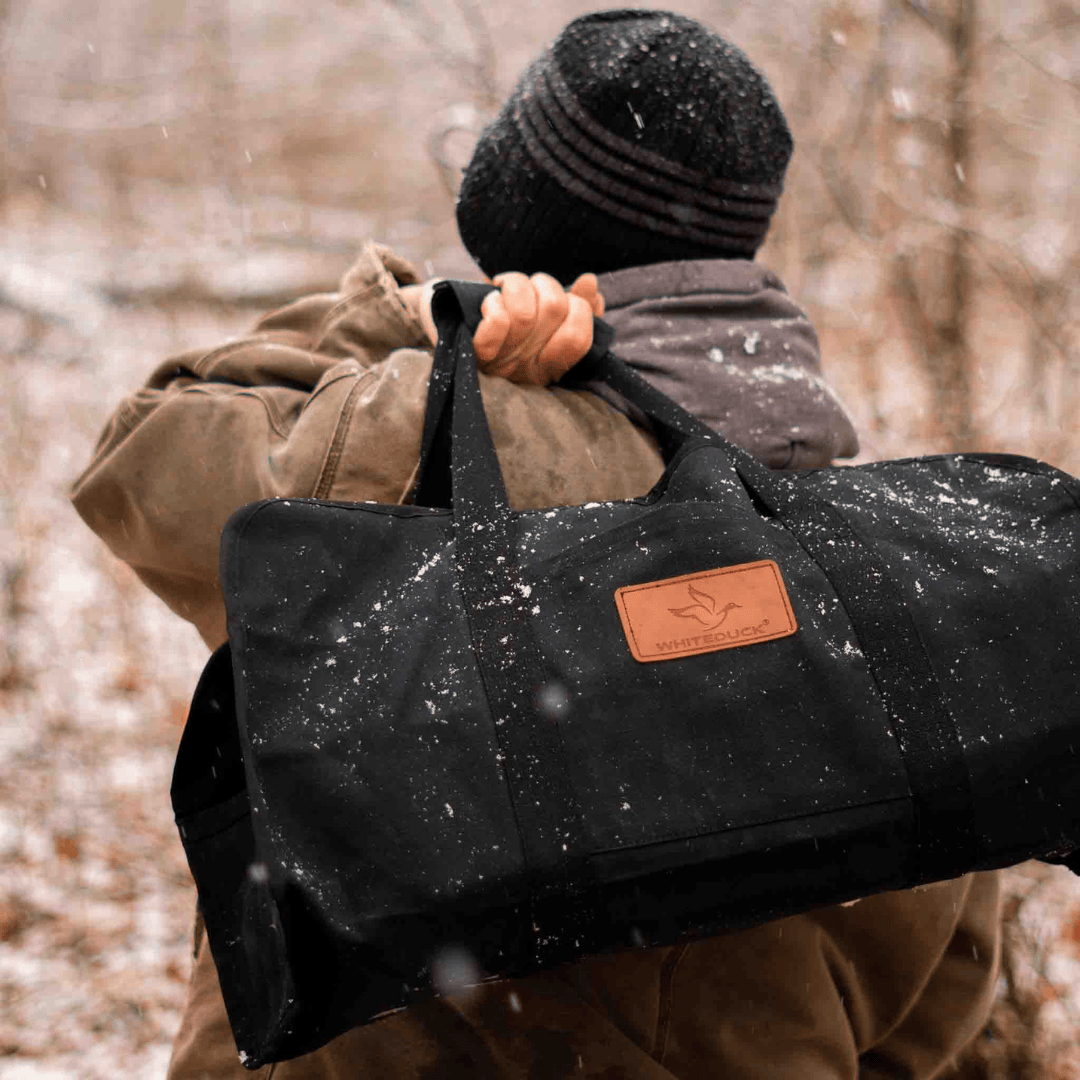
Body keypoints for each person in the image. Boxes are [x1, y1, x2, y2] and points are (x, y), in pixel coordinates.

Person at [71, 10, 1000, 1079]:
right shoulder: (885, 553)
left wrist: (410, 326)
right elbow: (945, 990)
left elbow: (141, 460)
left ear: (517, 213)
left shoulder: (446, 460)